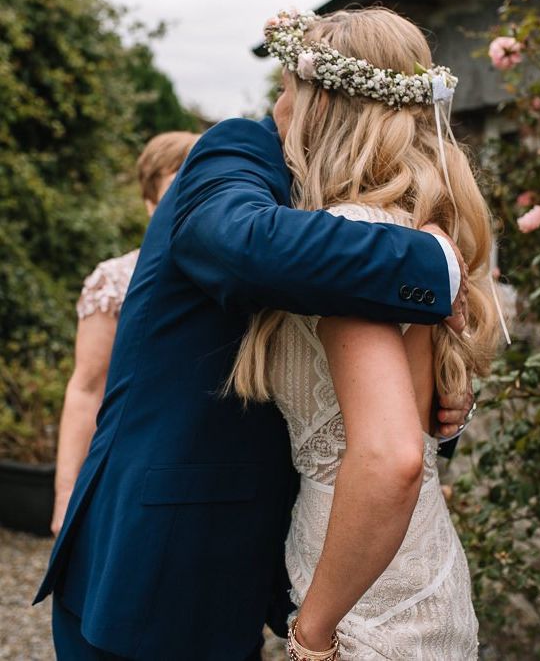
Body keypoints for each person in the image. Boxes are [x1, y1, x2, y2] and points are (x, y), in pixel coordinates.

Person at [34, 35, 476, 661]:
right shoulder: (236, 150)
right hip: (163, 548)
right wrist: (434, 264)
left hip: (283, 555)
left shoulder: (352, 213)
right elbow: (239, 245)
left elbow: (382, 428)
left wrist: (445, 411)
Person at [229, 8, 505, 659]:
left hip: (368, 595)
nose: (278, 104)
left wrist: (314, 632)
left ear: (325, 106)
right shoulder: (414, 229)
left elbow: (390, 459)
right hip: (401, 560)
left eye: (289, 86)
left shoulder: (351, 242)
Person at [51, 131, 200, 536]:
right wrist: (66, 494)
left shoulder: (240, 277)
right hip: (126, 468)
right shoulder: (115, 280)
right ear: (151, 202)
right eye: (176, 189)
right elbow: (86, 388)